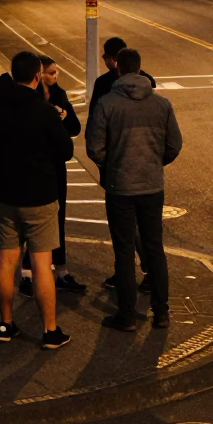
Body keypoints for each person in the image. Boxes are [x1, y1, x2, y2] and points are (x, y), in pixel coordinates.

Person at [0, 51, 73, 348]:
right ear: (36, 76)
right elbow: (65, 151)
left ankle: (5, 324)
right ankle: (49, 330)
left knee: (6, 260)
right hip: (40, 195)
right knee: (41, 264)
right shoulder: (43, 110)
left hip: (5, 195)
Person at [86, 47, 182, 333]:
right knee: (154, 248)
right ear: (140, 70)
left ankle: (127, 315)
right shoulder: (161, 104)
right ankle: (162, 312)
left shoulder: (107, 103)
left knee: (124, 250)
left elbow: (94, 147)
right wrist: (155, 162)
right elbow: (174, 145)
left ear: (118, 69)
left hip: (120, 187)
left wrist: (114, 163)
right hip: (152, 186)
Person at [87, 36, 155, 291]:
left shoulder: (105, 86)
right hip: (147, 170)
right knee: (146, 226)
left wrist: (106, 163)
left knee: (123, 227)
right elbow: (169, 141)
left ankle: (127, 276)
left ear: (113, 60)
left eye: (106, 57)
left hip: (117, 171)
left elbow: (94, 134)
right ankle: (150, 275)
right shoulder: (149, 85)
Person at [18, 56, 85, 298]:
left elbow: (75, 128)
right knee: (32, 221)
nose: (54, 77)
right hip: (36, 167)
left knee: (58, 218)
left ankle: (61, 271)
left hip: (56, 166)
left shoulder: (59, 95)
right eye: (50, 73)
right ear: (38, 75)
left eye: (56, 73)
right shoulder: (31, 100)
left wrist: (64, 117)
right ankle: (27, 272)